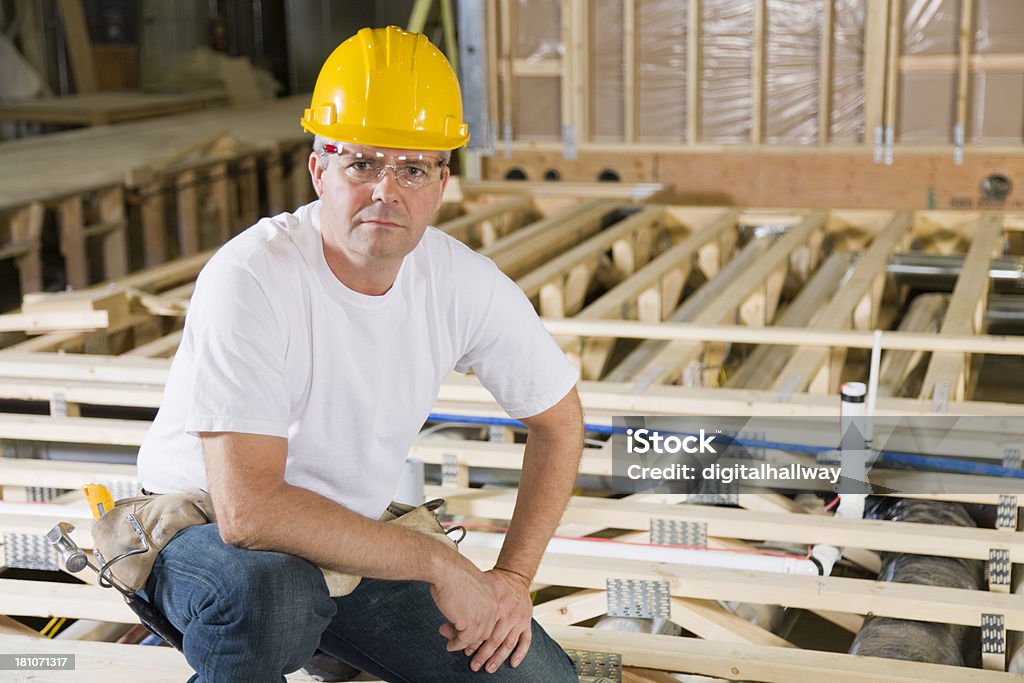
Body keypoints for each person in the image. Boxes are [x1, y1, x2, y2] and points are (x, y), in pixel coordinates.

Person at [135, 26, 583, 683]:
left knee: (536, 678)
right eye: (362, 163)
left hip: (349, 535)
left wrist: (512, 577)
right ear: (319, 169)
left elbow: (561, 420)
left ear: (441, 182)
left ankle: (326, 638)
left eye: (411, 169)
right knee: (273, 598)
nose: (386, 191)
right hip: (200, 532)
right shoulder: (253, 275)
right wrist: (439, 561)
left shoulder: (463, 282)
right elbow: (249, 511)